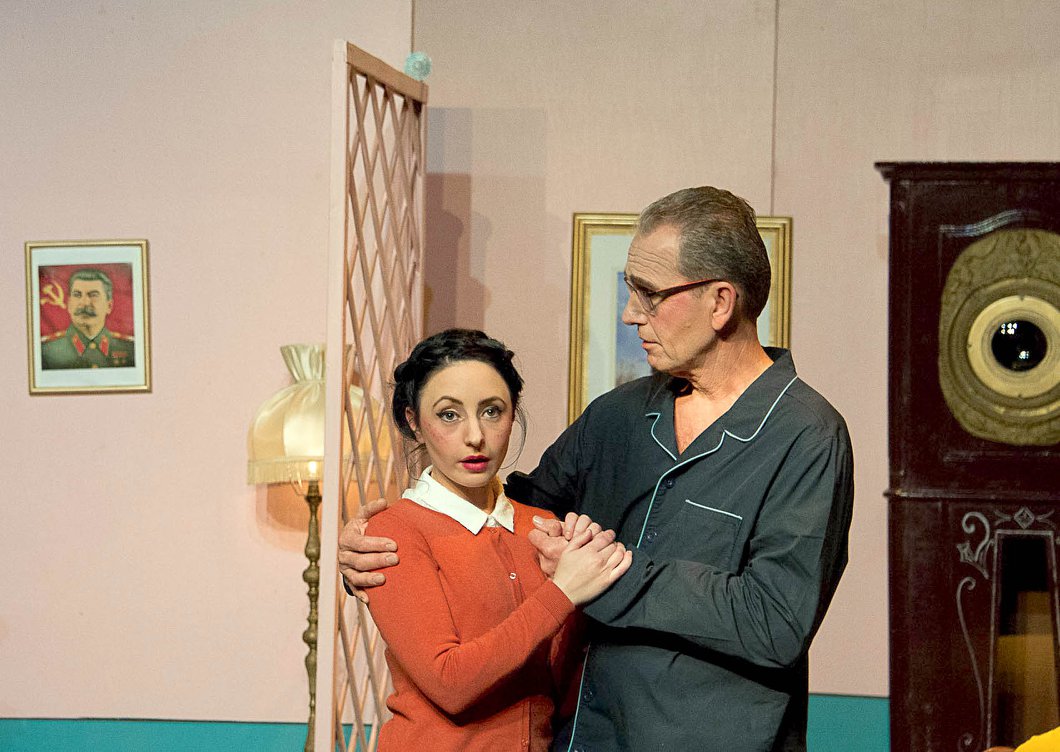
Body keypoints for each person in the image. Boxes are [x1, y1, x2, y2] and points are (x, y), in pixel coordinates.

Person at [341, 186, 855, 751]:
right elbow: (508, 517)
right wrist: (386, 547)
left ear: (720, 303)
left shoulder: (807, 436)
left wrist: (610, 575)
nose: (630, 314)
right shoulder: (618, 414)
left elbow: (775, 623)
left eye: (650, 295)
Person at [363, 328, 632, 751]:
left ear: (512, 413)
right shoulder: (395, 531)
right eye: (449, 415)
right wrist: (564, 592)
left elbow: (561, 690)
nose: (475, 436)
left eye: (492, 411)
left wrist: (588, 589)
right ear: (414, 422)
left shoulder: (542, 528)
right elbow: (451, 683)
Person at [41, 268, 135, 369]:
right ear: (69, 304)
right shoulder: (46, 351)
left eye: (93, 295)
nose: (84, 303)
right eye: (77, 295)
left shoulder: (131, 348)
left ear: (109, 306)